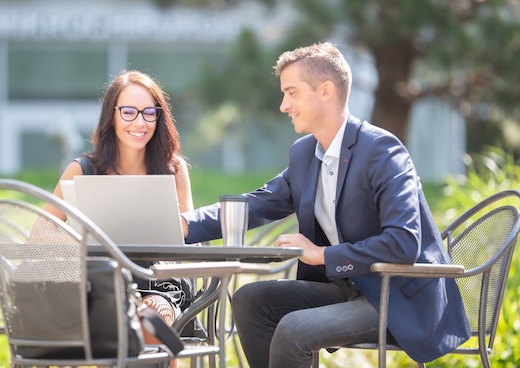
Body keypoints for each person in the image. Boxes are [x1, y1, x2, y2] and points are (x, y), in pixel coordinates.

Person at [181, 42, 471, 367]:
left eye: (291, 93)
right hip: (346, 288)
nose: (283, 105)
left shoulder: (382, 151)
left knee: (294, 328)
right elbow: (259, 203)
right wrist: (185, 224)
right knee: (251, 299)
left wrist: (321, 255)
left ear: (325, 91)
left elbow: (403, 243)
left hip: (398, 298)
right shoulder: (304, 154)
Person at [44, 70, 197, 351]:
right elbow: (40, 234)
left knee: (150, 319)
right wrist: (86, 242)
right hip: (101, 281)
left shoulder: (173, 169)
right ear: (111, 116)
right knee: (108, 316)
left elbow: (189, 236)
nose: (140, 122)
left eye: (149, 113)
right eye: (129, 112)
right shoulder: (82, 170)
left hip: (161, 280)